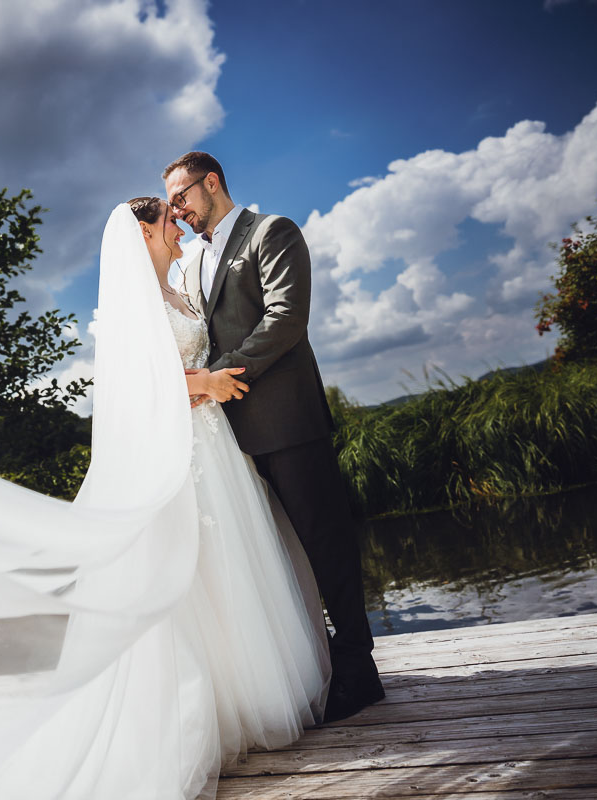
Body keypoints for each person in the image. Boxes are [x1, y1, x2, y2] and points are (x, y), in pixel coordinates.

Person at [0, 199, 330, 799]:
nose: (180, 228)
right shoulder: (132, 304)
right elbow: (136, 384)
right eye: (169, 222)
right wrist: (207, 382)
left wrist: (211, 380)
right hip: (180, 451)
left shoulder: (179, 290)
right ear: (145, 232)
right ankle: (192, 716)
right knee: (188, 574)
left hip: (216, 445)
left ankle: (248, 694)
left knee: (232, 568)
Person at [162, 151, 384, 722]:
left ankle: (359, 670)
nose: (177, 210)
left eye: (182, 197)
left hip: (287, 422)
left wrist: (219, 379)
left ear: (212, 182)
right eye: (171, 204)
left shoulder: (271, 232)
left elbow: (286, 318)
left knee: (325, 543)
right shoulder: (192, 262)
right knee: (277, 556)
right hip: (227, 443)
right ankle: (314, 666)